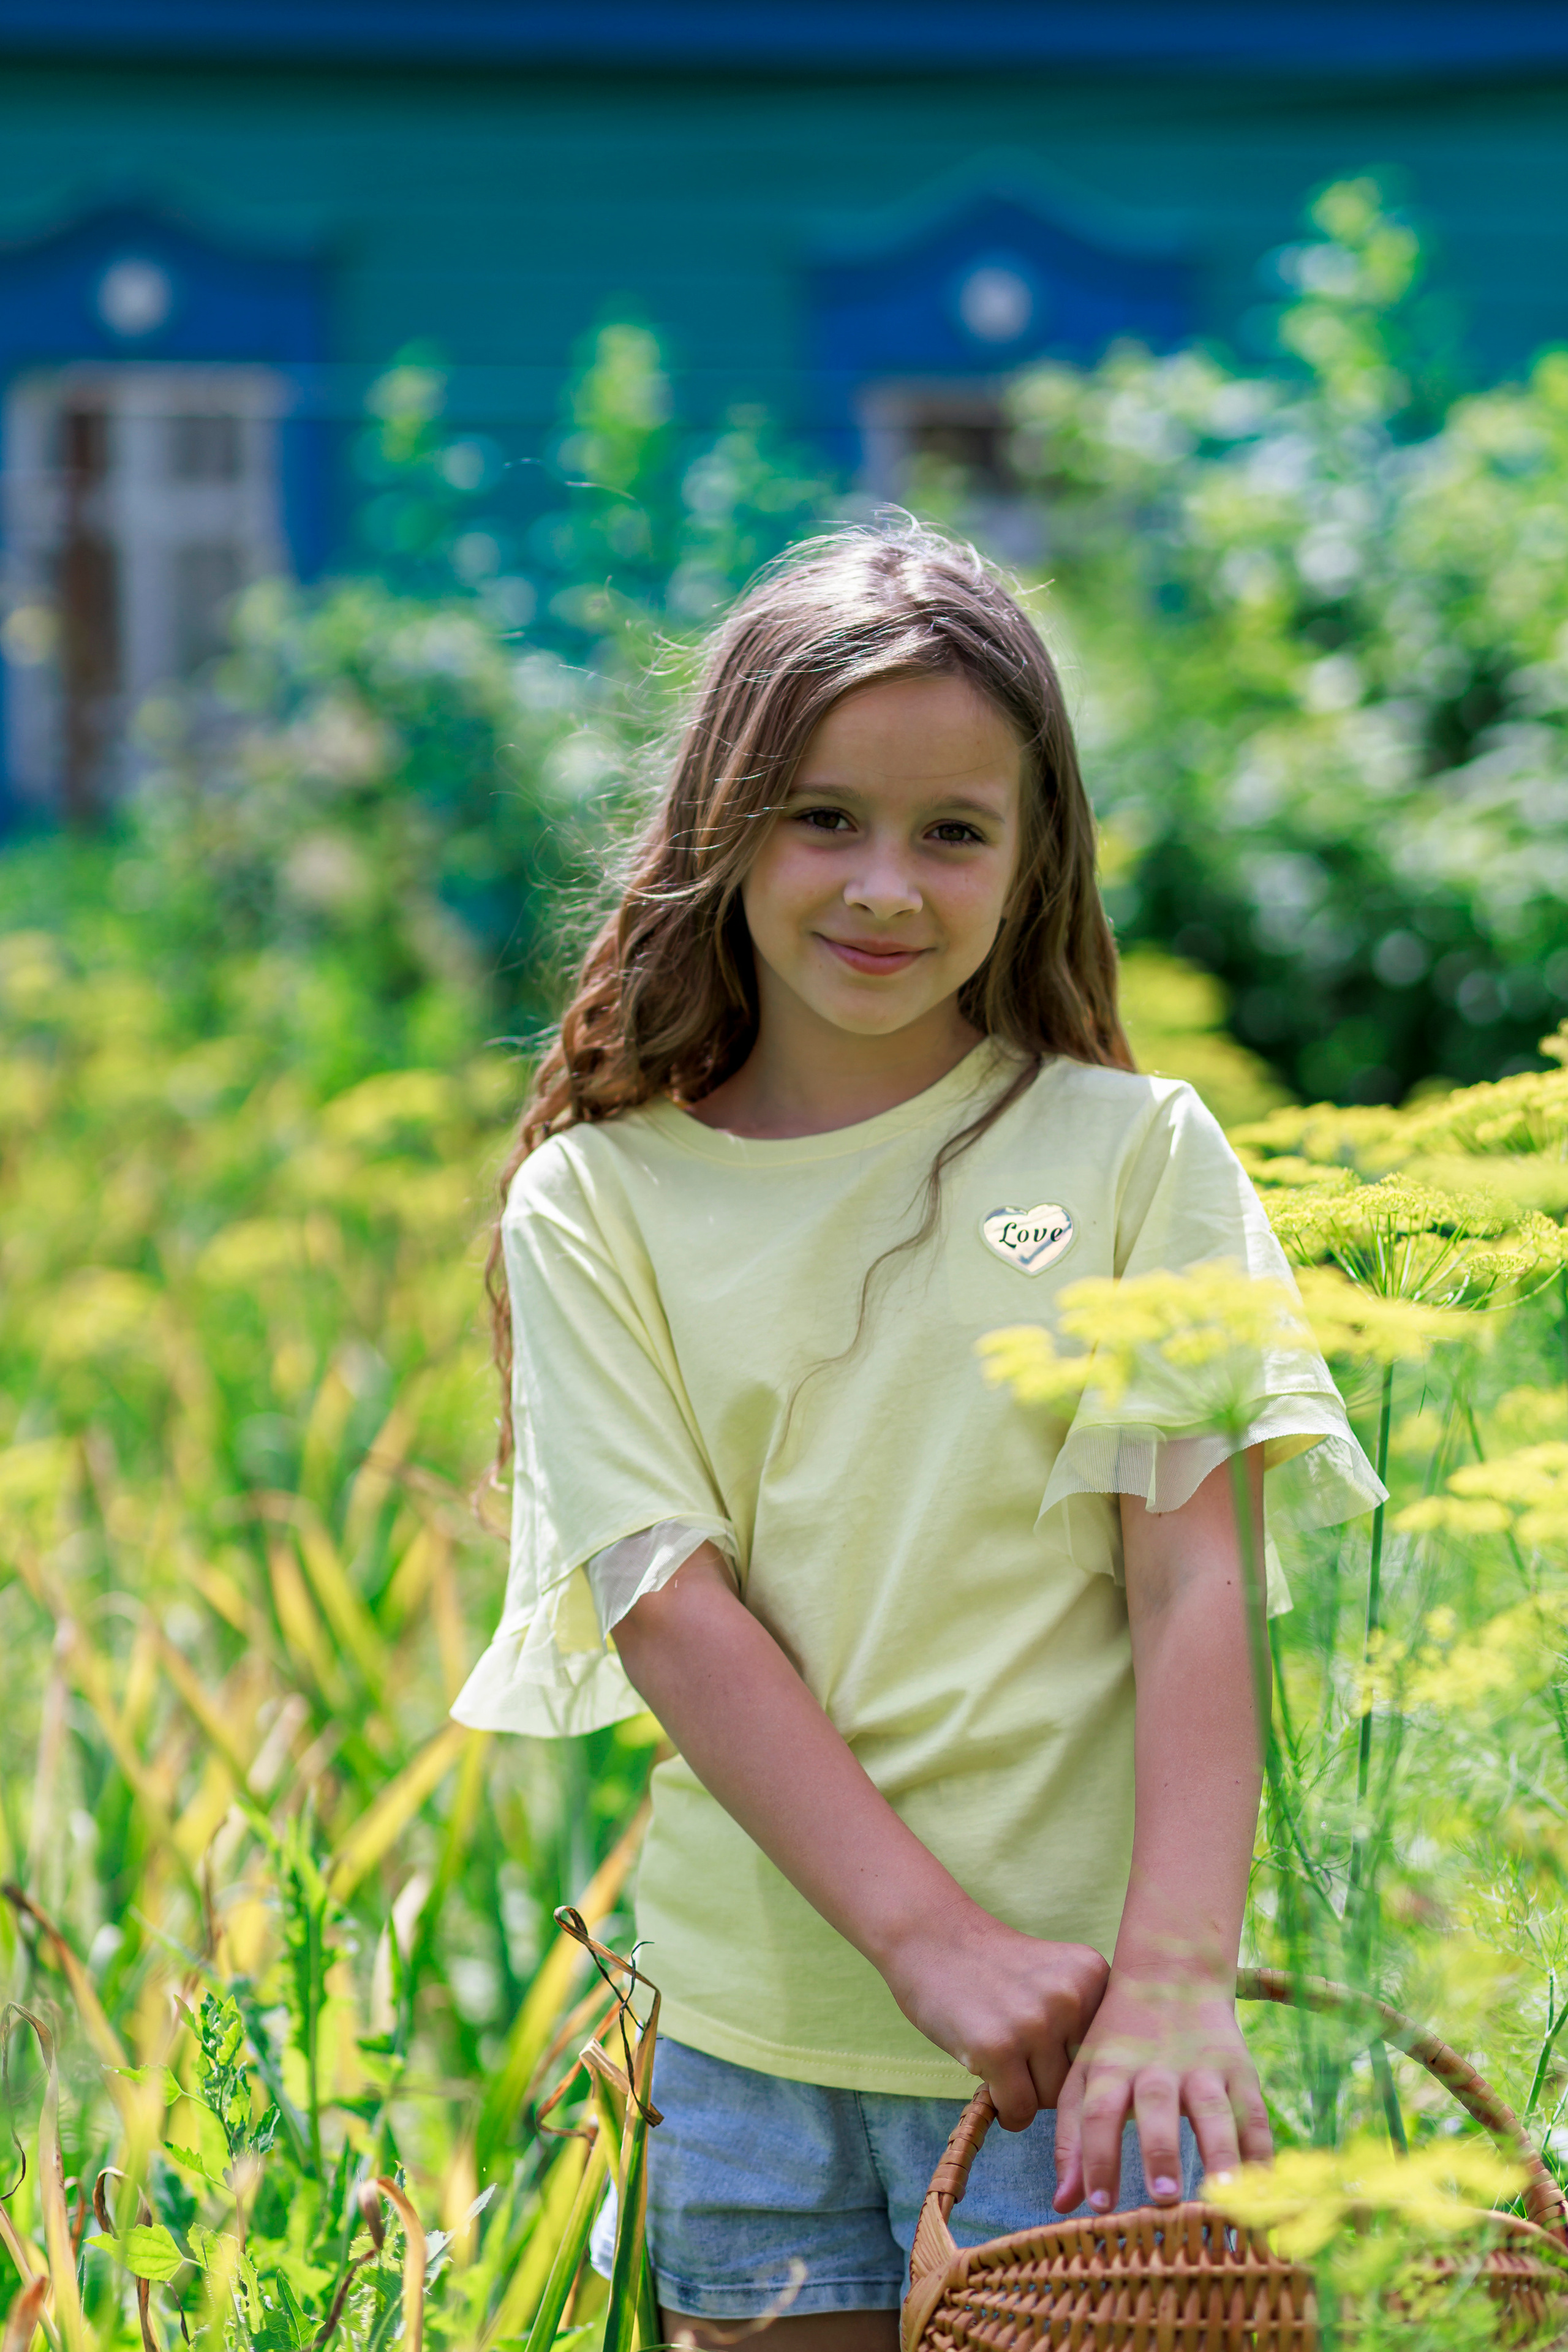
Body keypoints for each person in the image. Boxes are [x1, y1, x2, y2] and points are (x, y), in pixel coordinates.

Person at [454, 524, 1382, 2352]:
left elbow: (1195, 1580)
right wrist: (930, 1946)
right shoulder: (597, 1202)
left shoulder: (1132, 1156)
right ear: (721, 827)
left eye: (953, 830)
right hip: (755, 2031)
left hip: (1099, 2047)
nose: (886, 884)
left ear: (1033, 864)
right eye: (824, 820)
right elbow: (668, 1608)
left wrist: (1179, 1984)